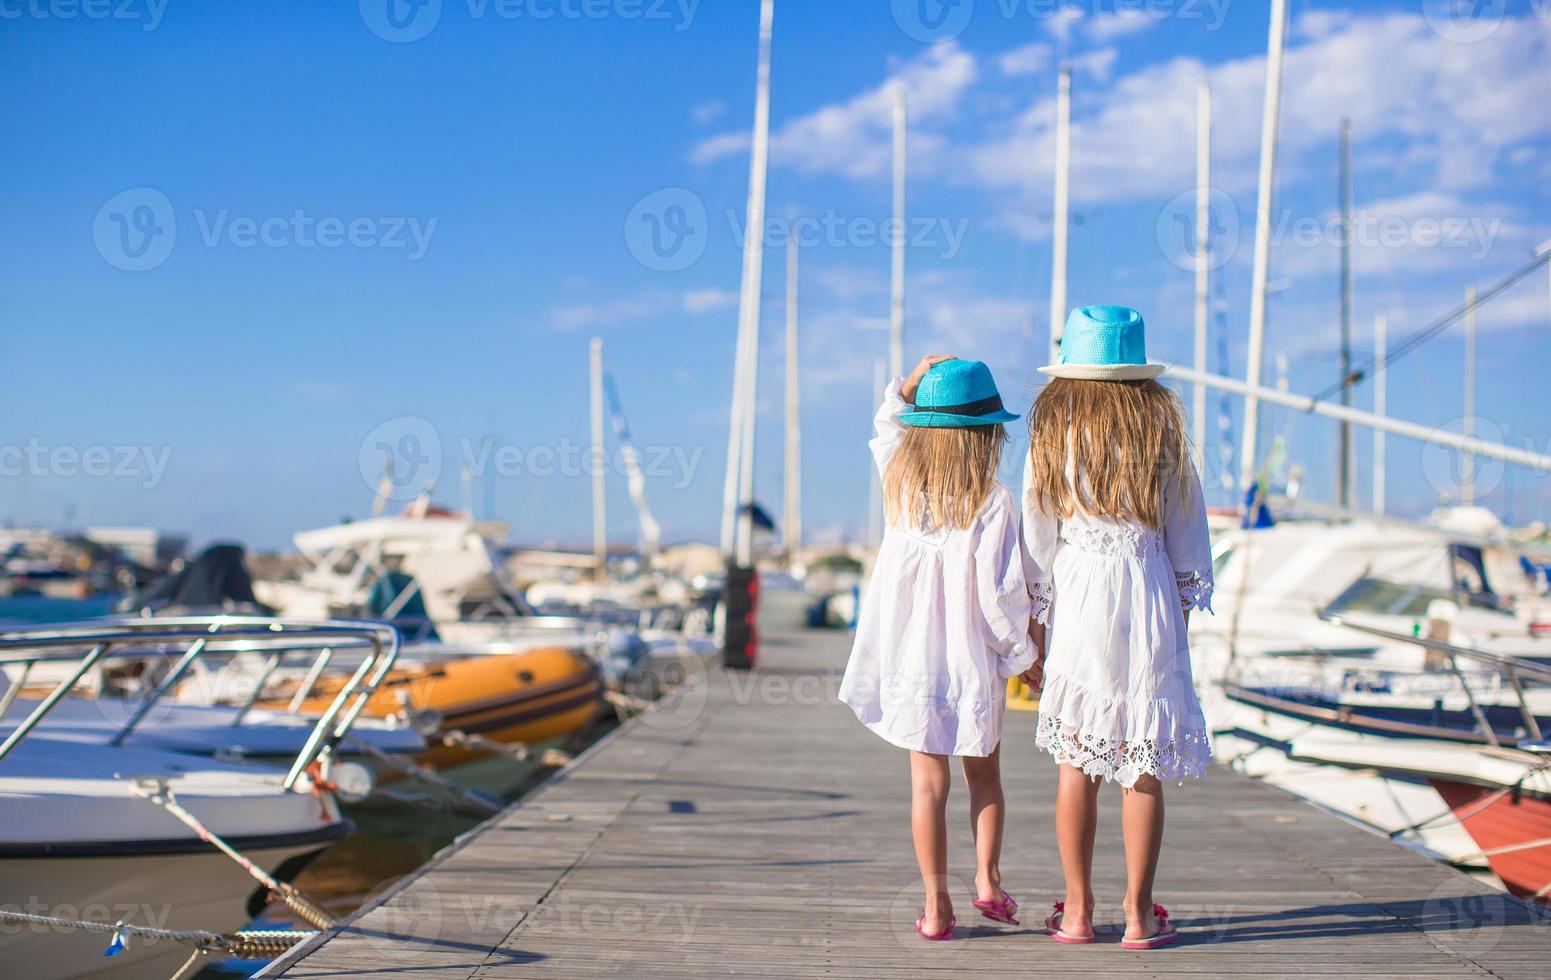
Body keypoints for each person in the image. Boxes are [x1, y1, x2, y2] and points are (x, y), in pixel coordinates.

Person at [1020, 305, 1214, 951]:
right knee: (1143, 761)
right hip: (1148, 586)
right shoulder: (1161, 438)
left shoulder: (1053, 436)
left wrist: (1036, 622)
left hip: (1081, 591)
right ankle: (1137, 916)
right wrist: (1180, 614)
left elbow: (1036, 534)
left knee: (1077, 760)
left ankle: (1076, 912)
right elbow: (1188, 536)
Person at [839, 354, 1037, 941]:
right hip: (970, 657)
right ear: (986, 435)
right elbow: (1001, 596)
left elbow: (885, 428)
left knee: (927, 786)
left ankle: (935, 905)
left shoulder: (898, 482)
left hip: (910, 660)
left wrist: (904, 387)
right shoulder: (993, 501)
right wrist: (1024, 658)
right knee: (985, 775)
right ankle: (987, 880)